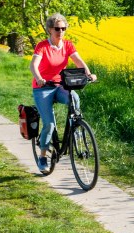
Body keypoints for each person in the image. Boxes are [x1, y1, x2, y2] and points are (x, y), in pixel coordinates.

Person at [30, 14, 97, 172]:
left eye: (63, 28)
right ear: (50, 30)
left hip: (60, 85)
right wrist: (38, 77)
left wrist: (89, 74)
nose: (60, 31)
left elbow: (78, 61)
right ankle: (42, 156)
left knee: (74, 97)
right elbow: (33, 65)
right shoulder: (42, 46)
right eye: (57, 29)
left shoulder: (67, 45)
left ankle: (75, 128)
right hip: (43, 87)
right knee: (50, 124)